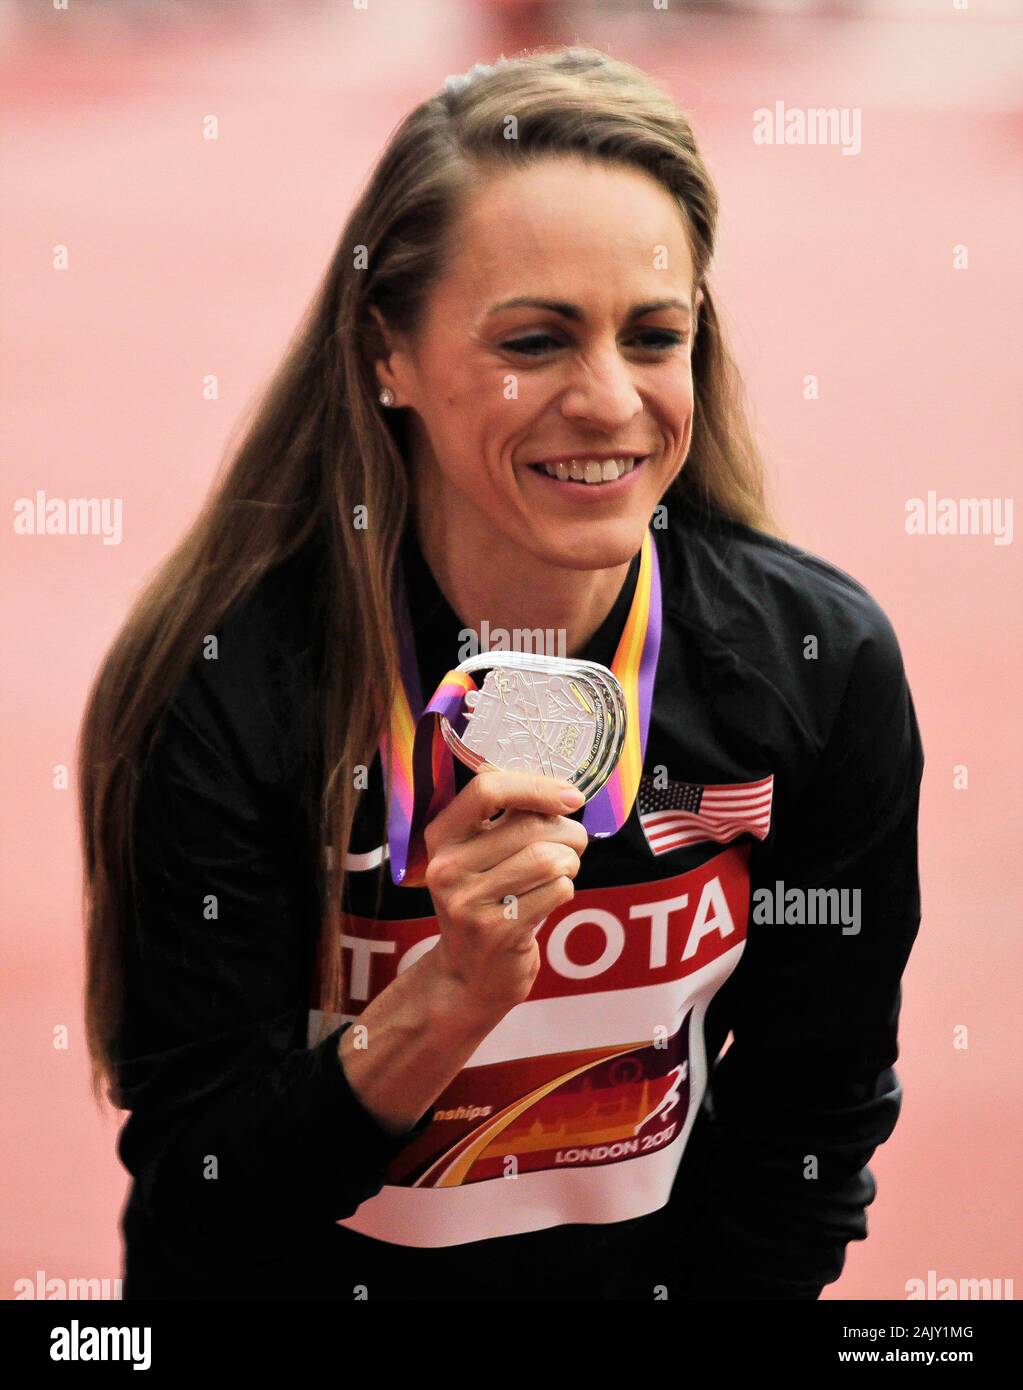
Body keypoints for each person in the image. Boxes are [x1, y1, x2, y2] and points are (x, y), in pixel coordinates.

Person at [77, 46, 924, 1301]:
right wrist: (441, 1004)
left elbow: (813, 1117)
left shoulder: (819, 665)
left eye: (655, 336)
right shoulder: (225, 691)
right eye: (535, 339)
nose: (608, 399)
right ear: (387, 355)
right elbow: (204, 1207)